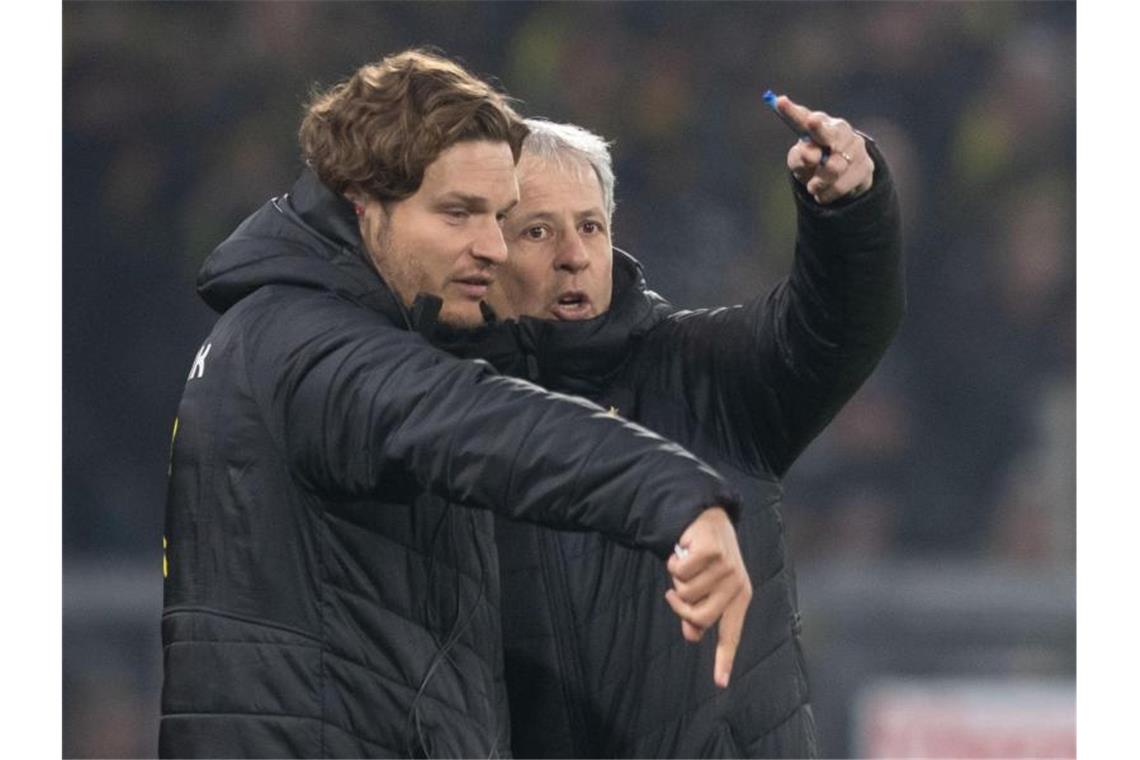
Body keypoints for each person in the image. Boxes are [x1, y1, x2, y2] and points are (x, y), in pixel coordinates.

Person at [159, 49, 753, 759]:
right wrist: (680, 497)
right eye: (458, 214)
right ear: (362, 202)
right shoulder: (307, 345)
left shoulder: (280, 332)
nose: (493, 248)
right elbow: (479, 421)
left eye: (500, 216)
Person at [470, 102, 904, 757]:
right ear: (486, 252)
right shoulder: (441, 416)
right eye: (537, 232)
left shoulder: (703, 374)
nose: (574, 256)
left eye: (590, 226)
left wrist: (848, 213)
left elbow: (834, 327)